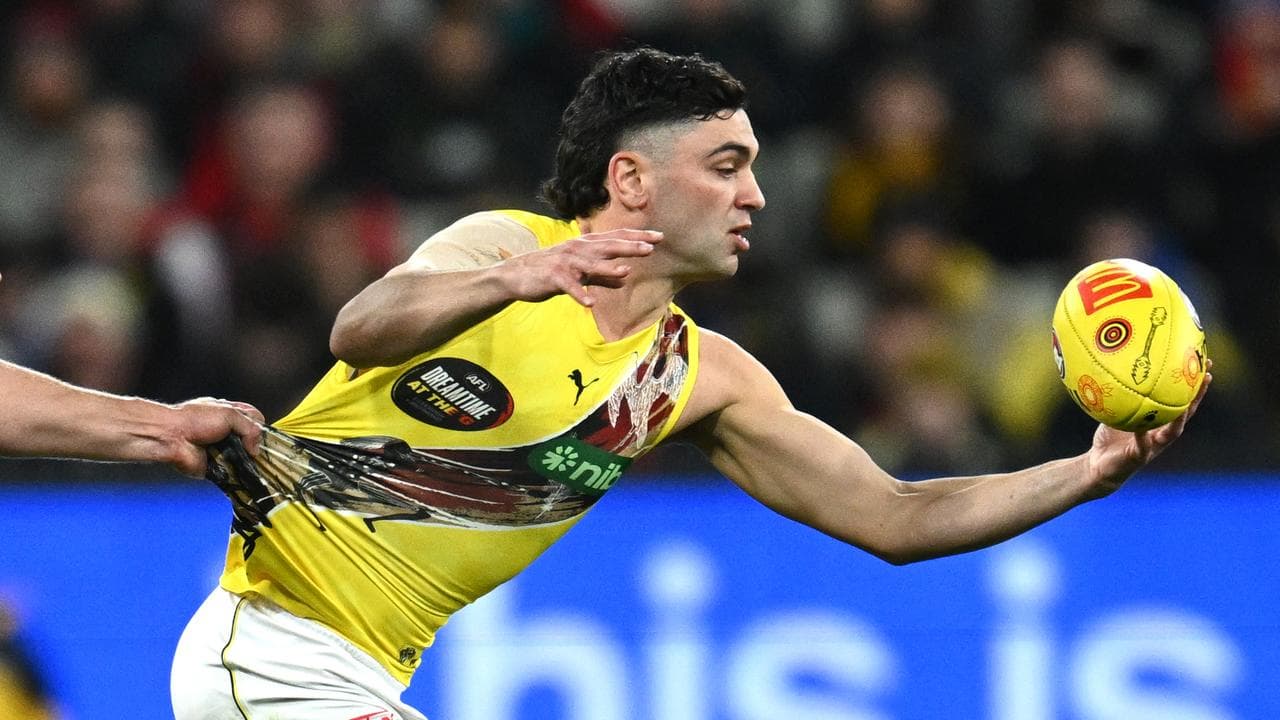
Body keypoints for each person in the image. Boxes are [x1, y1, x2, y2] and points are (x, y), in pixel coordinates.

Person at [173, 48, 1210, 720]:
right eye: (724, 165)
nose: (754, 193)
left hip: (363, 675)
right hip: (270, 649)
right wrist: (510, 280)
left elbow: (896, 518)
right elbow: (359, 327)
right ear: (630, 180)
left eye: (750, 165)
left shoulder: (696, 376)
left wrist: (1086, 473)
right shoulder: (504, 249)